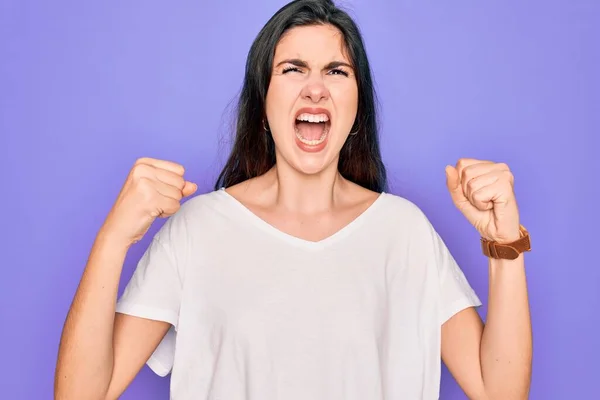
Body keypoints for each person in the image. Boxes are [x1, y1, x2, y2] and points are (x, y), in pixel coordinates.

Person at [54, 0, 533, 399]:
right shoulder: (198, 230)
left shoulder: (404, 232)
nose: (316, 88)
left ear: (356, 112)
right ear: (263, 105)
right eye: (293, 69)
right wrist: (114, 237)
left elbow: (500, 390)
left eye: (336, 71)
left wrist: (504, 243)